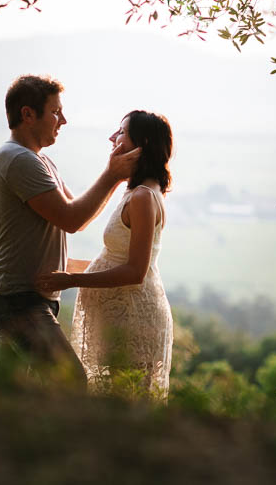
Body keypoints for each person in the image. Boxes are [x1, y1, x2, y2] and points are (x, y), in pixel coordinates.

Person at [0, 75, 140, 386]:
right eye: (56, 112)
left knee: (12, 391)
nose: (63, 120)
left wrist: (116, 177)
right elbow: (71, 219)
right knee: (70, 381)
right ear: (28, 114)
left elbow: (76, 212)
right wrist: (112, 175)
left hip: (25, 295)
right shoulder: (17, 160)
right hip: (19, 298)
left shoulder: (41, 161)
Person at [36, 110, 173, 398]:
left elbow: (136, 271)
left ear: (142, 143)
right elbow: (115, 260)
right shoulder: (138, 193)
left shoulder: (143, 197)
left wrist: (71, 280)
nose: (112, 137)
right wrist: (63, 266)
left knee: (125, 400)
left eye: (121, 132)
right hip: (121, 312)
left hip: (132, 316)